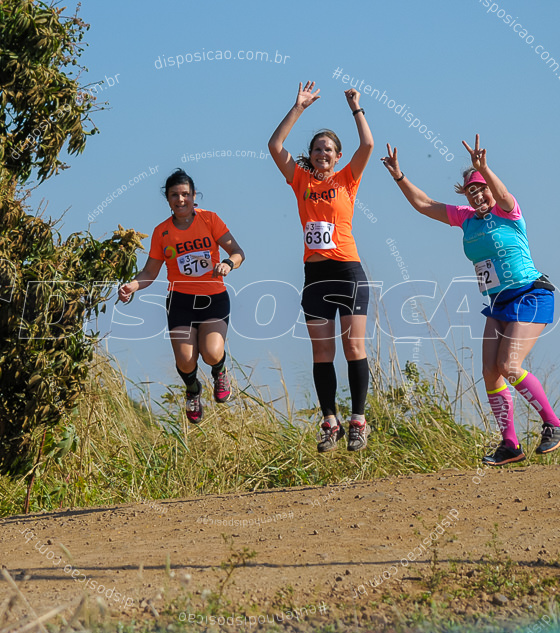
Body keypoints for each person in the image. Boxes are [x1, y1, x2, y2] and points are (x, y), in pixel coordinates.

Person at [381, 135, 560, 466]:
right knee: (490, 372)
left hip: (530, 294)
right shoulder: (465, 218)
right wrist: (399, 175)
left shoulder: (508, 211)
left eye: (482, 187)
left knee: (510, 367)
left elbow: (504, 193)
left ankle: (553, 424)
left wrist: (484, 168)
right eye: (472, 190)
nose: (478, 193)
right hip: (498, 303)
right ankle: (510, 444)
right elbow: (423, 204)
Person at [268, 81, 375, 452]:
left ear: (337, 155)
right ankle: (330, 422)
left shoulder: (348, 179)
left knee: (354, 347)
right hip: (315, 276)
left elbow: (368, 146)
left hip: (347, 271)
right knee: (321, 354)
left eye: (328, 149)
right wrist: (298, 107)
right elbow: (274, 147)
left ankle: (358, 421)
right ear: (310, 155)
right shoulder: (300, 181)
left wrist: (355, 108)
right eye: (317, 149)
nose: (322, 154)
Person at [118, 169, 245, 423]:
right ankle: (193, 390)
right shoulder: (161, 232)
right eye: (175, 195)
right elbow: (150, 272)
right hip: (181, 302)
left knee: (211, 353)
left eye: (185, 194)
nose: (181, 200)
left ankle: (219, 372)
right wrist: (133, 285)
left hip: (213, 299)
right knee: (186, 361)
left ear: (194, 195)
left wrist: (229, 264)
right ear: (167, 199)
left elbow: (237, 251)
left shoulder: (210, 220)